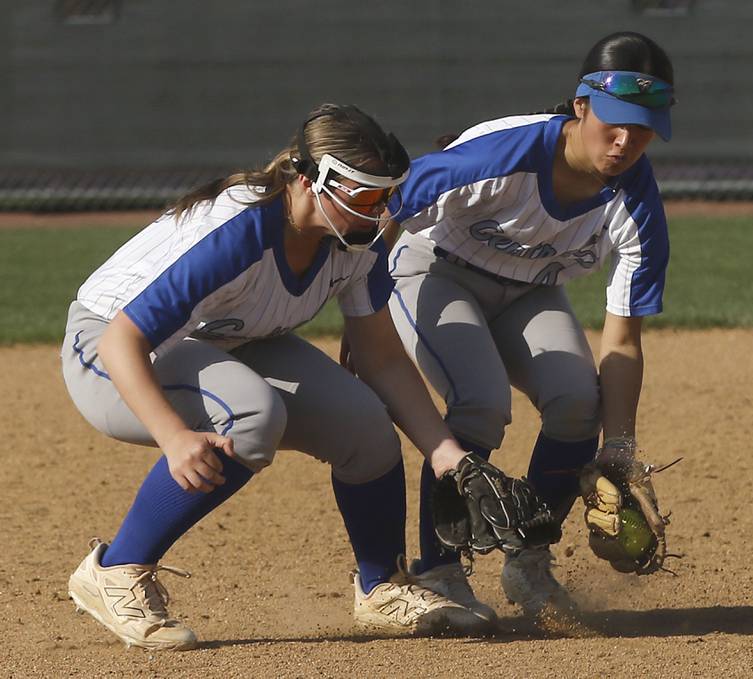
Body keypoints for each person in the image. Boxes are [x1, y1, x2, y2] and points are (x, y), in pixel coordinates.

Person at [62, 103, 493, 651]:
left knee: (364, 423)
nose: (379, 210)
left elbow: (382, 359)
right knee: (252, 413)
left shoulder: (354, 241)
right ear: (312, 180)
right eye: (365, 193)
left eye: (387, 194)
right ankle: (115, 570)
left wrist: (446, 453)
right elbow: (123, 338)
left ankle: (381, 586)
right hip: (108, 347)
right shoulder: (242, 229)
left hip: (224, 338)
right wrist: (174, 437)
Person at [380, 31, 676, 620]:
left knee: (577, 403)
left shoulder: (637, 204)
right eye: (613, 122)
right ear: (580, 106)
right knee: (481, 401)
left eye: (642, 130)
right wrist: (361, 332)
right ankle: (438, 568)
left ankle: (529, 559)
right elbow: (384, 212)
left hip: (529, 290)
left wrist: (619, 449)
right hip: (435, 269)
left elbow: (621, 341)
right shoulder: (501, 154)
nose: (624, 142)